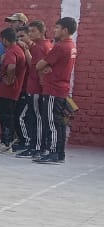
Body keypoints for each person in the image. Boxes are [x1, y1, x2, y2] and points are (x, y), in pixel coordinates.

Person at [32, 17, 76, 164]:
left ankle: (53, 153)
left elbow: (39, 65)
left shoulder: (60, 46)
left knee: (52, 122)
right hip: (61, 88)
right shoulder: (72, 45)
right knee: (59, 122)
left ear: (65, 30)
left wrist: (46, 66)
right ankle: (60, 153)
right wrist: (48, 66)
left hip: (53, 89)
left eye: (57, 28)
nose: (54, 30)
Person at [17, 21, 53, 158]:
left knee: (36, 118)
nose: (30, 34)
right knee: (36, 118)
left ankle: (36, 147)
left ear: (42, 32)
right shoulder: (46, 45)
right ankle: (38, 146)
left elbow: (40, 69)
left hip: (36, 88)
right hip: (36, 87)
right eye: (29, 31)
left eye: (33, 31)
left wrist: (42, 85)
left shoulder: (40, 47)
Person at [0, 28, 26, 154]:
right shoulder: (18, 50)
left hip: (8, 90)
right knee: (7, 116)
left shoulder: (12, 51)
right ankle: (5, 140)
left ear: (5, 39)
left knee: (5, 117)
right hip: (12, 90)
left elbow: (11, 66)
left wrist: (9, 79)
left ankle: (6, 143)